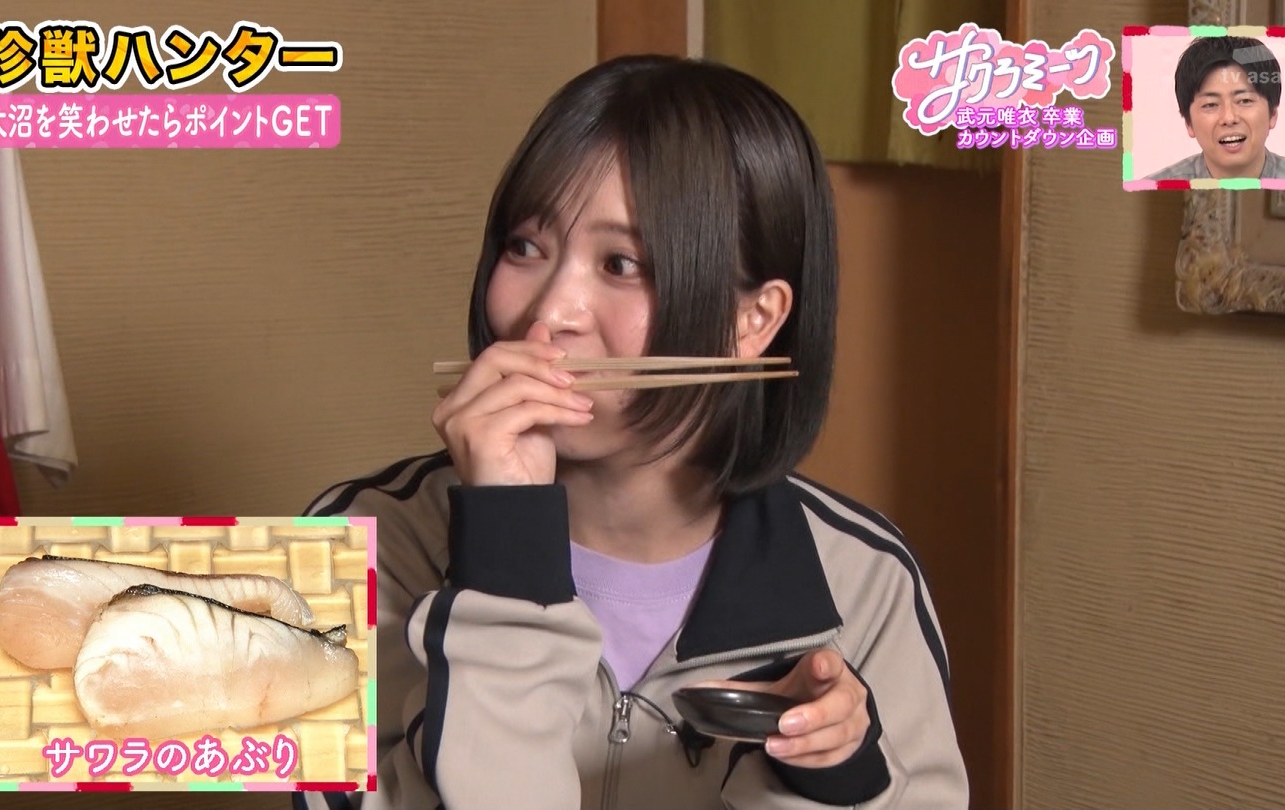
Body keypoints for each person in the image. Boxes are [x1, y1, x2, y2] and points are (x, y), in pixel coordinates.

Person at [297, 55, 967, 810]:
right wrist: (507, 551)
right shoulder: (346, 543)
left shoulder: (868, 579)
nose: (550, 315)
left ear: (754, 321)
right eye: (525, 247)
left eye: (620, 263)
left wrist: (834, 778)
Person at [1144, 36, 1285, 181]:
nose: (1229, 118)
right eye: (1210, 105)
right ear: (1188, 123)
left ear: (1273, 114)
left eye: (1244, 101)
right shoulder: (1155, 186)